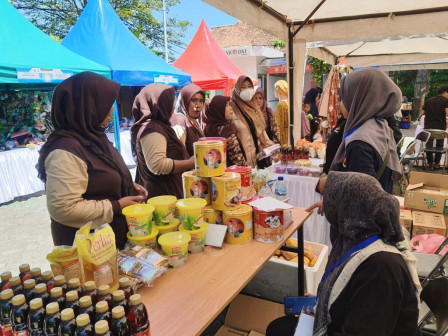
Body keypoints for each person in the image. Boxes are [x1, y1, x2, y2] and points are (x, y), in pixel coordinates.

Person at [268, 171, 420, 336]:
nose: (327, 207)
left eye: (331, 200)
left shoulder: (381, 269)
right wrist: (324, 302)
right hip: (347, 321)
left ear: (347, 209)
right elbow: (354, 296)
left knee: (279, 331)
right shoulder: (358, 240)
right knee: (278, 328)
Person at [36, 72, 147, 249]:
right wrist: (116, 206)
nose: (112, 109)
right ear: (87, 106)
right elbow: (63, 208)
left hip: (108, 243)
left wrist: (126, 186)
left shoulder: (94, 138)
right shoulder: (65, 150)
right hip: (87, 252)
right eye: (107, 103)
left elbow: (98, 178)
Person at [329, 68, 402, 195]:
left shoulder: (360, 142)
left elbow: (361, 196)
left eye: (344, 97)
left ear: (358, 99)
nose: (339, 104)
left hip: (364, 214)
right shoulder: (379, 126)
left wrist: (331, 185)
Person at [131, 83, 194, 199]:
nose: (172, 107)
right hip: (162, 199)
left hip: (166, 195)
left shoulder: (159, 126)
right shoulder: (153, 129)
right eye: (169, 102)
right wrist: (189, 163)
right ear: (159, 103)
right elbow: (157, 165)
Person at [231, 76, 274, 168]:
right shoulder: (231, 110)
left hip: (256, 162)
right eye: (243, 87)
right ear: (237, 89)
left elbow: (263, 134)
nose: (247, 89)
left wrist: (273, 147)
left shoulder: (255, 109)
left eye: (250, 86)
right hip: (240, 165)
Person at [203, 95, 246, 166]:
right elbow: (238, 160)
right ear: (218, 110)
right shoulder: (227, 130)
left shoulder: (207, 129)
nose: (230, 108)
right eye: (226, 106)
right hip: (230, 174)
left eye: (229, 105)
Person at [170, 84, 205, 156]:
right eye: (194, 100)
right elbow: (179, 153)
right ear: (184, 101)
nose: (198, 105)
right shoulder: (179, 121)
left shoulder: (193, 120)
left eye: (201, 101)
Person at [420, 86, 448, 170]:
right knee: (439, 145)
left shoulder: (429, 100)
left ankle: (430, 164)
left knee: (429, 146)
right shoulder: (446, 101)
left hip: (428, 127)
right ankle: (437, 163)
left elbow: (422, 113)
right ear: (445, 92)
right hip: (440, 128)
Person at [273, 80, 289, 146]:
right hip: (287, 135)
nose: (274, 91)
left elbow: (279, 124)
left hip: (282, 137)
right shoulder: (287, 103)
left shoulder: (281, 105)